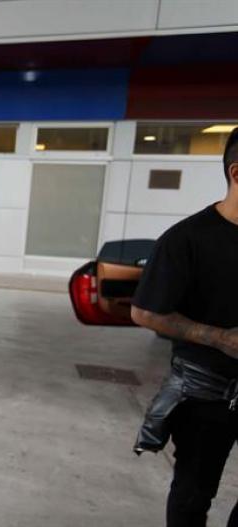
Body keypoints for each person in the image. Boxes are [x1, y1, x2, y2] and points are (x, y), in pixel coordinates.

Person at [131, 127, 238, 527]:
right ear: (236, 173)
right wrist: (220, 338)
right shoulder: (187, 240)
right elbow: (144, 312)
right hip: (204, 394)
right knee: (193, 496)